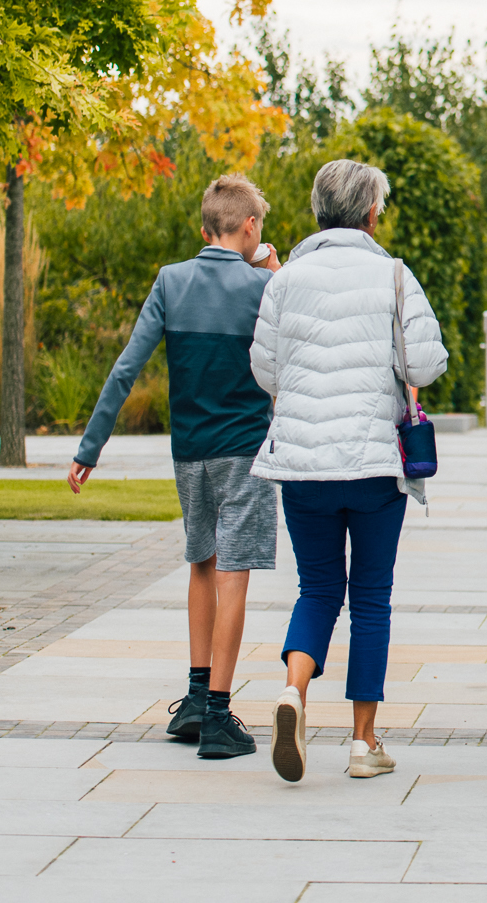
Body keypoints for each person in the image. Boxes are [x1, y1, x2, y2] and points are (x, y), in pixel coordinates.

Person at [69, 173, 281, 760]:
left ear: (202, 227)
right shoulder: (263, 286)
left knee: (202, 562)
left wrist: (90, 448)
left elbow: (125, 368)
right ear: (248, 227)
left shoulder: (171, 280)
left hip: (189, 451)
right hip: (245, 450)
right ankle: (218, 714)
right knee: (235, 571)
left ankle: (193, 697)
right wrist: (272, 271)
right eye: (257, 225)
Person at [250, 158, 448, 784]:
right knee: (370, 598)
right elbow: (426, 364)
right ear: (370, 213)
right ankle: (364, 743)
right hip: (372, 465)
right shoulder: (393, 275)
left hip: (304, 464)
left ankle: (292, 693)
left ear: (316, 212)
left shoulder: (286, 281)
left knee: (316, 590)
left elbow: (265, 372)